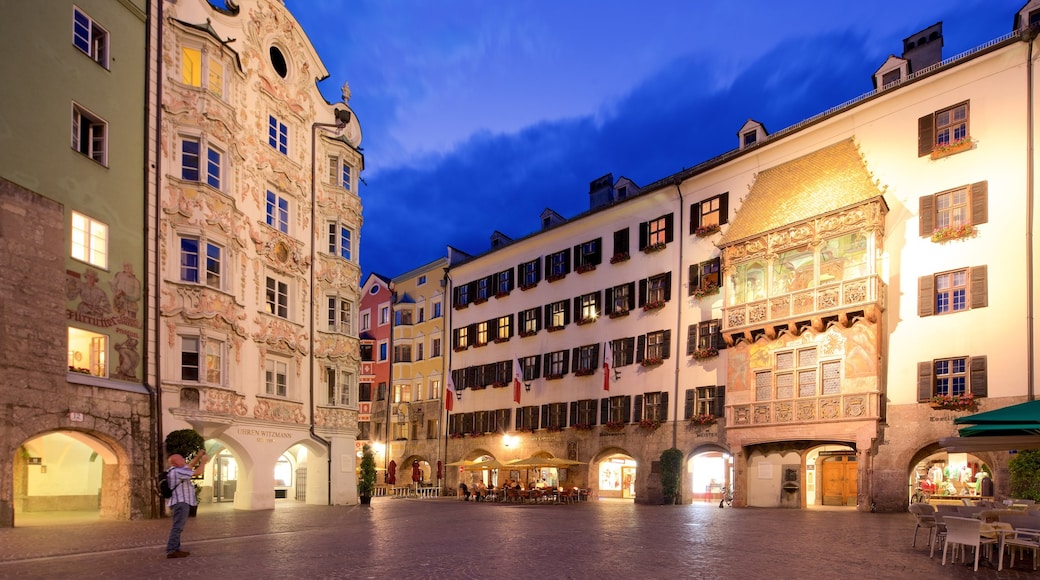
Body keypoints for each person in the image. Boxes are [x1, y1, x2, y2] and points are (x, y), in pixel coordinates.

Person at [165, 451, 208, 558]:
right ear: (175, 462)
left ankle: (175, 549)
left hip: (180, 502)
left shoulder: (177, 470)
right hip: (181, 502)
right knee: (177, 527)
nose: (183, 459)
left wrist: (198, 456)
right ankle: (172, 550)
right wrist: (203, 462)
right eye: (181, 458)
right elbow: (198, 473)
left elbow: (190, 466)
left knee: (178, 526)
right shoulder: (177, 472)